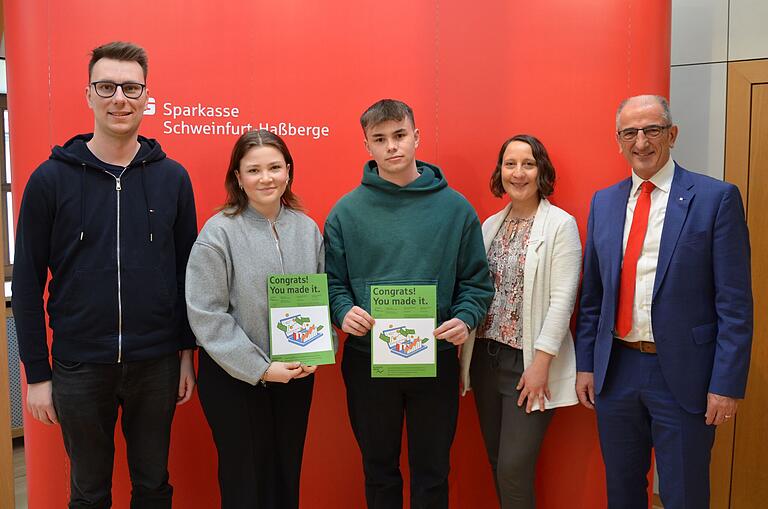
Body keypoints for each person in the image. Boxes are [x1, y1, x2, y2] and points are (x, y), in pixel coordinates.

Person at [12, 41, 197, 508]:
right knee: (89, 491)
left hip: (156, 363)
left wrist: (184, 354)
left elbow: (185, 275)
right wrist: (37, 373)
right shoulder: (49, 180)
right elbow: (29, 284)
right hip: (78, 365)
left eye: (132, 87)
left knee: (153, 486)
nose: (120, 97)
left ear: (146, 97)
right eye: (107, 86)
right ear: (88, 95)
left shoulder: (172, 178)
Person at [575, 95, 753, 509]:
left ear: (671, 135)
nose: (641, 141)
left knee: (684, 495)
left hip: (684, 377)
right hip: (616, 372)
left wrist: (725, 385)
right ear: (618, 141)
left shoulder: (716, 199)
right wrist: (587, 363)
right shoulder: (604, 202)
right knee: (621, 493)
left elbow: (735, 305)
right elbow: (593, 298)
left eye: (652, 129)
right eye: (629, 133)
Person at [324, 98, 494, 509]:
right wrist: (344, 310)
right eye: (380, 139)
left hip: (433, 358)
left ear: (416, 137)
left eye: (400, 136)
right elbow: (331, 283)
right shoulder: (345, 212)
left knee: (432, 473)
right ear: (367, 145)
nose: (392, 147)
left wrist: (466, 318)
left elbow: (477, 283)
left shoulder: (456, 209)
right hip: (367, 361)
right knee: (379, 472)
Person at [185, 129, 323, 509]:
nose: (266, 178)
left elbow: (318, 300)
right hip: (236, 380)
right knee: (247, 482)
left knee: (285, 474)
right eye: (254, 170)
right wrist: (262, 369)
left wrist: (313, 351)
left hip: (294, 376)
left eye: (275, 167)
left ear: (289, 172)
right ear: (238, 177)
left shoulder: (307, 230)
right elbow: (206, 314)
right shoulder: (218, 233)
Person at [460, 134, 581, 508]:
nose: (518, 172)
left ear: (541, 171)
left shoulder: (561, 225)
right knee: (498, 462)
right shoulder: (489, 225)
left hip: (527, 364)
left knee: (513, 467)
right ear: (500, 171)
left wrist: (541, 364)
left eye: (528, 164)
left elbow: (563, 300)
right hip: (484, 358)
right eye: (510, 164)